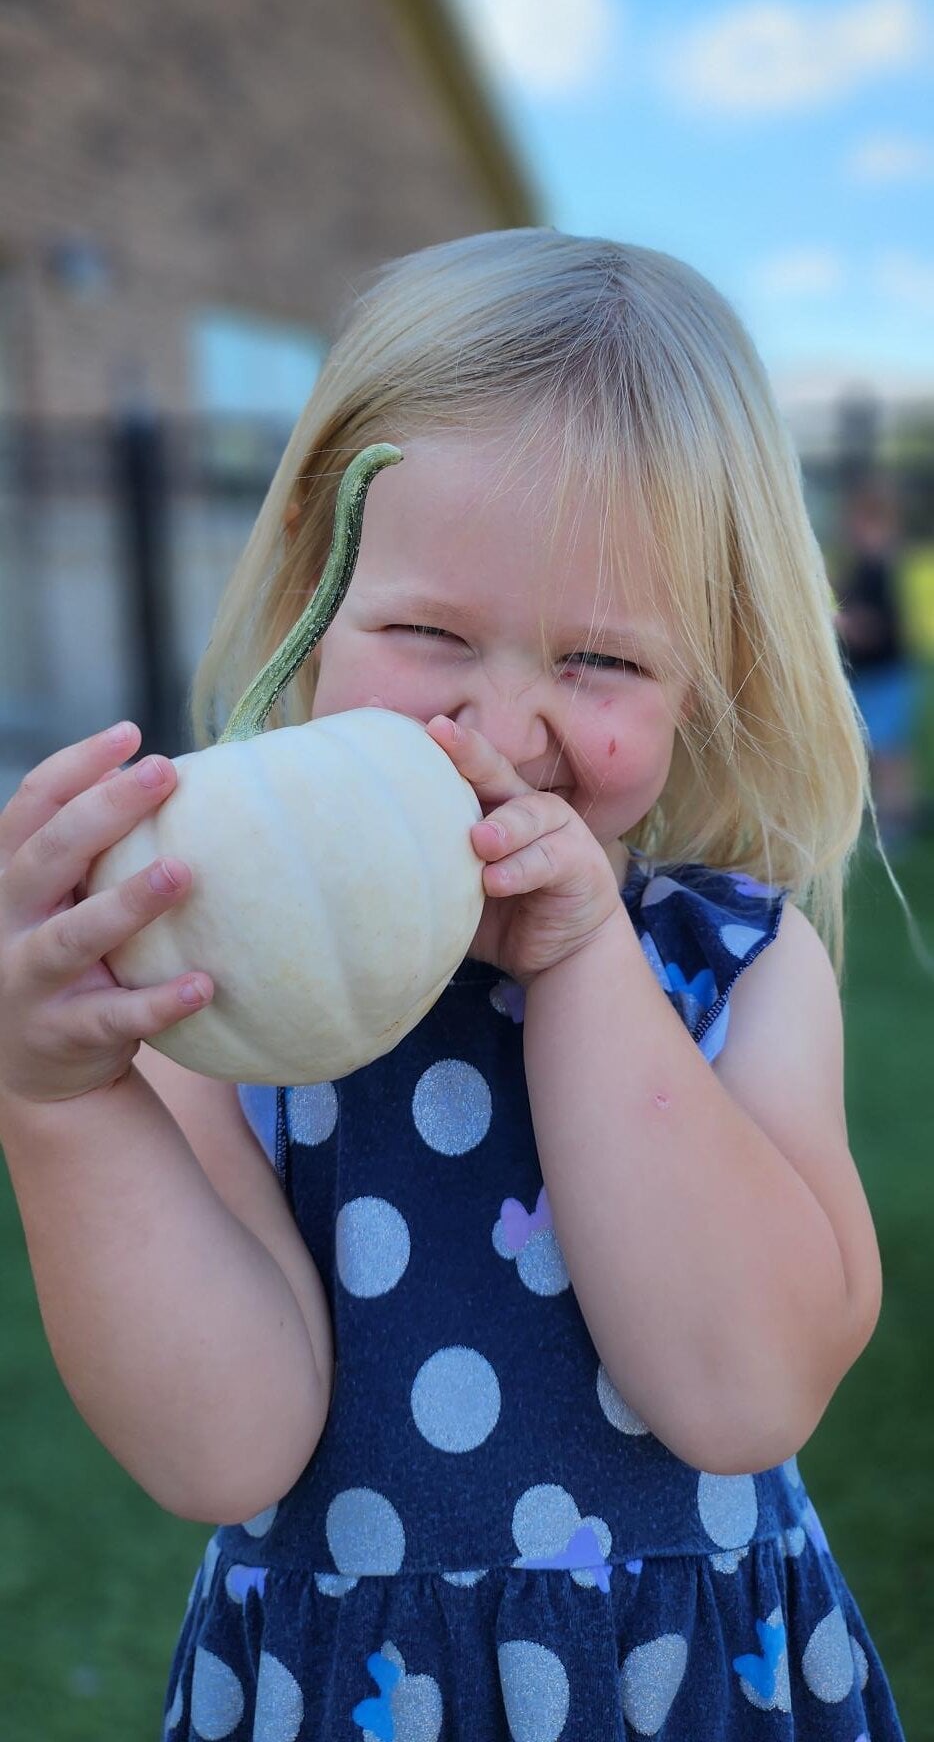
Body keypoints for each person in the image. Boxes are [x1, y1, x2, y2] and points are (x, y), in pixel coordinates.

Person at [0, 231, 905, 1740]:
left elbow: (743, 1392)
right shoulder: (204, 983)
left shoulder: (735, 966)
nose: (501, 721)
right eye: (427, 635)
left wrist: (583, 965)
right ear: (316, 591)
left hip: (684, 1685)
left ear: (704, 674)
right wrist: (60, 1098)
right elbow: (224, 1446)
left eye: (600, 662)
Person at [833, 477, 920, 854]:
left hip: (884, 675)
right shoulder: (866, 566)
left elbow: (872, 627)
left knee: (888, 752)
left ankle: (896, 822)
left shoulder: (878, 569)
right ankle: (880, 818)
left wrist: (837, 622)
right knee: (870, 749)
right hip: (871, 675)